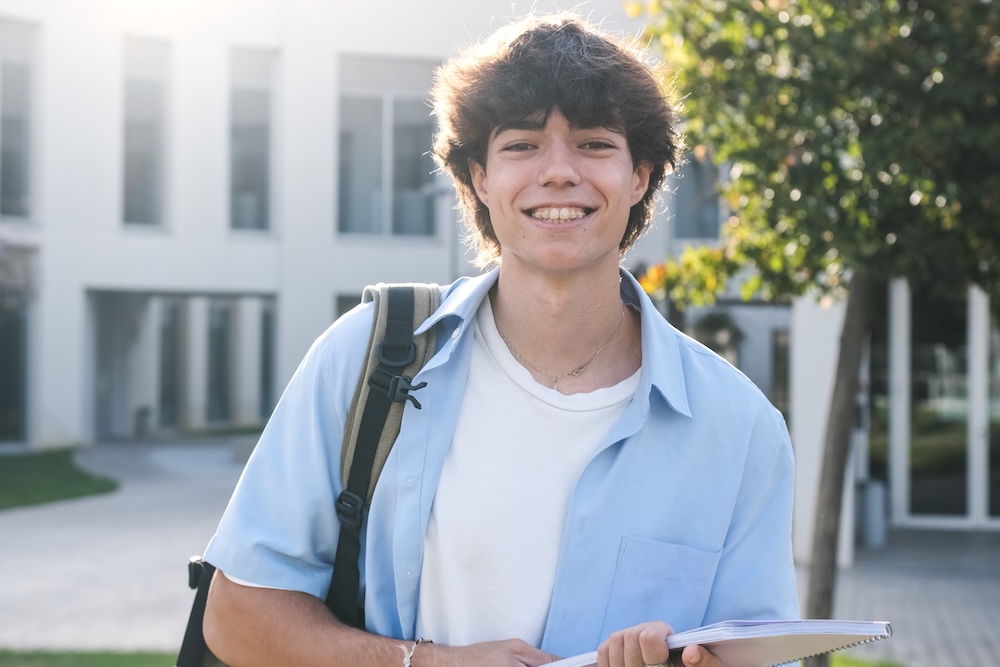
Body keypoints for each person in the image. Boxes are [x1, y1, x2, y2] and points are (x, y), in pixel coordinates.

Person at [202, 12, 799, 667]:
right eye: (521, 144)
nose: (559, 172)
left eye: (596, 143)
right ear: (480, 177)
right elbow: (236, 617)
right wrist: (422, 662)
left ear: (641, 177)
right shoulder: (362, 360)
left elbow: (762, 656)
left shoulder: (741, 430)